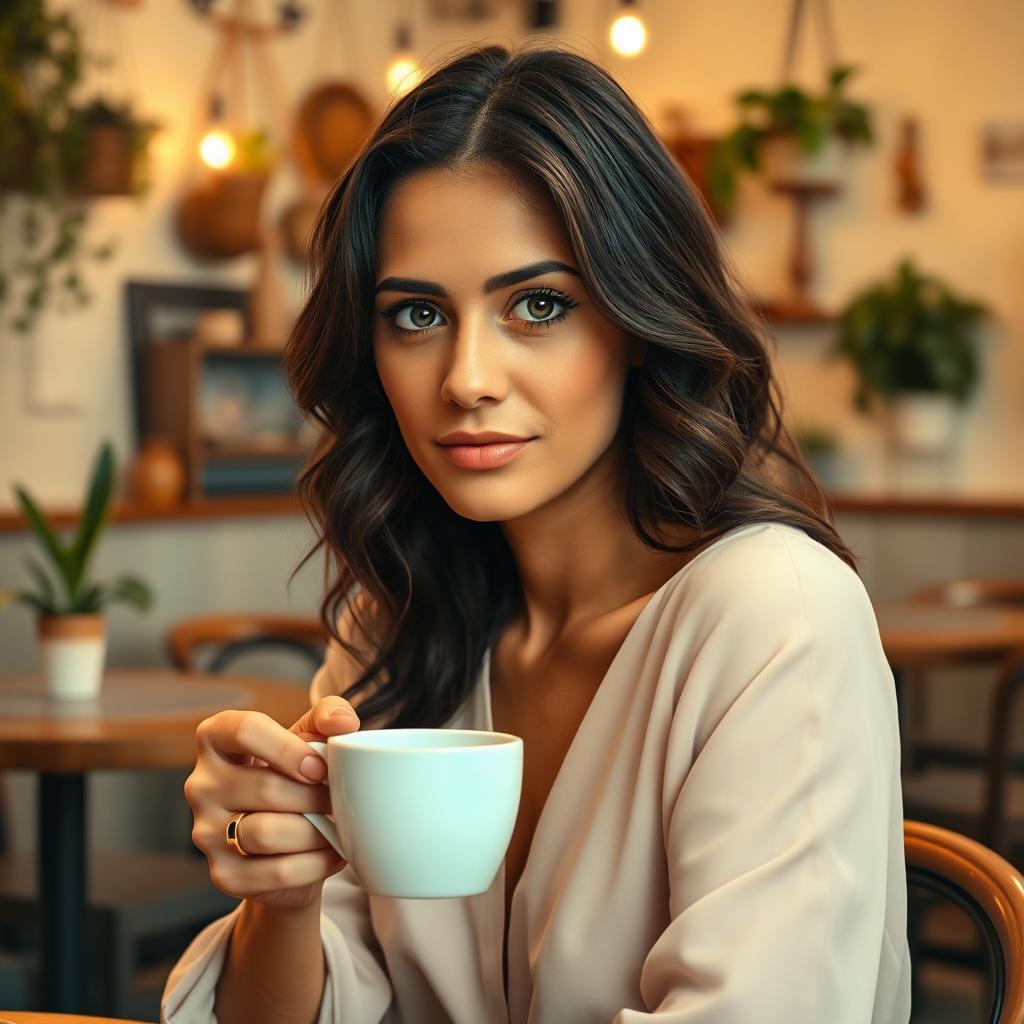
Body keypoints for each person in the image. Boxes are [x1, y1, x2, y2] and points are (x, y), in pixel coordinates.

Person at [162, 41, 911, 1024]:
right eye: (418, 313)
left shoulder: (776, 619)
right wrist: (283, 891)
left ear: (639, 320)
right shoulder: (392, 630)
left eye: (538, 305)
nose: (467, 377)